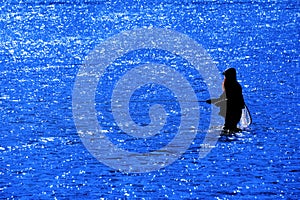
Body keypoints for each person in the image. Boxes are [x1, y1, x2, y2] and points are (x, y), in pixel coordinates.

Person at [206, 68, 245, 132]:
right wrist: (212, 101)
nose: (225, 77)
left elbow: (229, 100)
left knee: (230, 127)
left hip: (234, 111)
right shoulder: (232, 86)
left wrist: (214, 101)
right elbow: (223, 98)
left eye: (226, 75)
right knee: (229, 127)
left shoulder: (234, 86)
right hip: (231, 111)